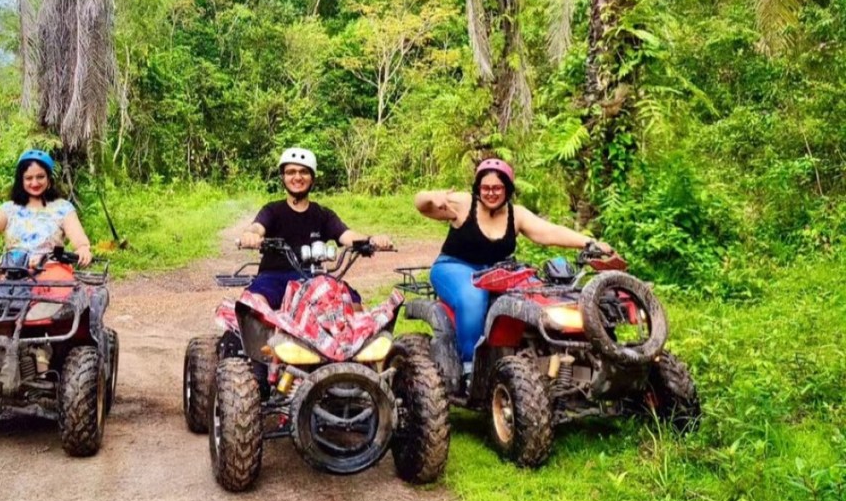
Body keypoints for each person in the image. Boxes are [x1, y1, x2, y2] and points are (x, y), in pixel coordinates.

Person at [414, 158, 617, 364]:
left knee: (541, 294)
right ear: (478, 188)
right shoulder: (464, 203)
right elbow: (421, 204)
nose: (491, 193)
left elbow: (549, 232)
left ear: (507, 189)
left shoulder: (516, 214)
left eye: (497, 188)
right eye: (485, 188)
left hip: (500, 272)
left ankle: (547, 352)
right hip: (455, 266)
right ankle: (470, 365)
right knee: (473, 298)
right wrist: (432, 196)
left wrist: (589, 243)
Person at [239, 147, 393, 308]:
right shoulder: (272, 210)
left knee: (351, 303)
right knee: (253, 304)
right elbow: (257, 227)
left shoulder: (323, 214)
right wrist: (250, 235)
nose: (297, 177)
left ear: (312, 178)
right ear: (283, 177)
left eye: (303, 172)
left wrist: (372, 240)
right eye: (291, 172)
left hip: (313, 278)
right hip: (273, 277)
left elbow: (346, 235)